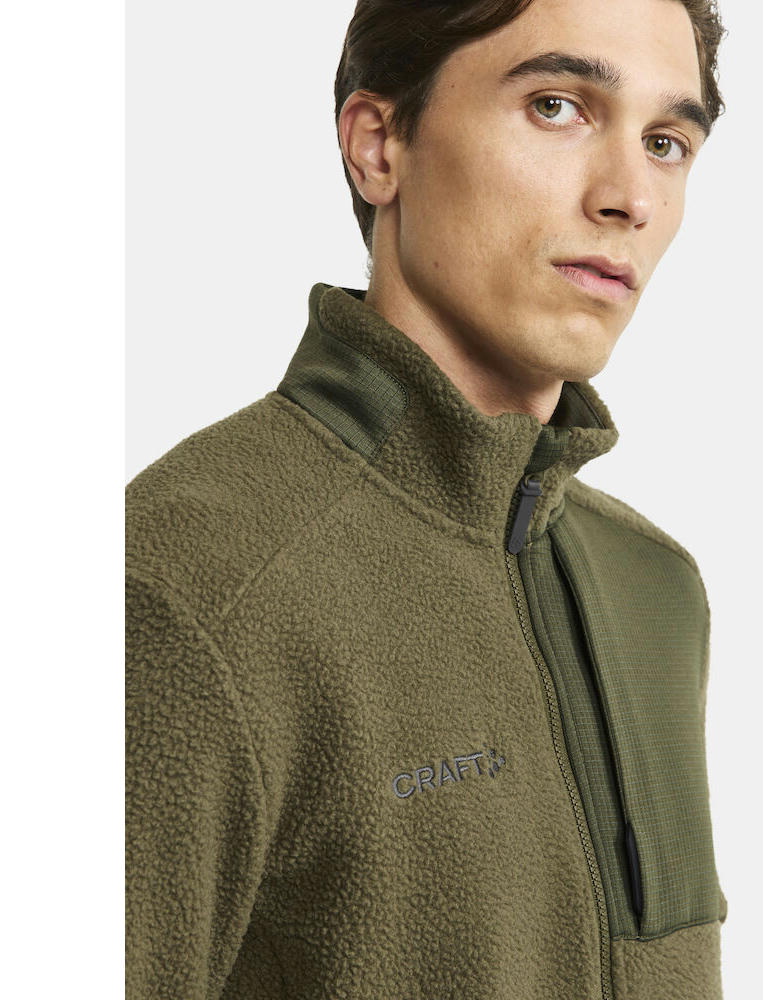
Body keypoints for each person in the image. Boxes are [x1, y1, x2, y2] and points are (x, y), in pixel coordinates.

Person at [125, 0, 729, 997]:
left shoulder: (655, 588)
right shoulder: (183, 587)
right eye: (556, 106)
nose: (629, 196)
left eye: (666, 142)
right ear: (378, 145)